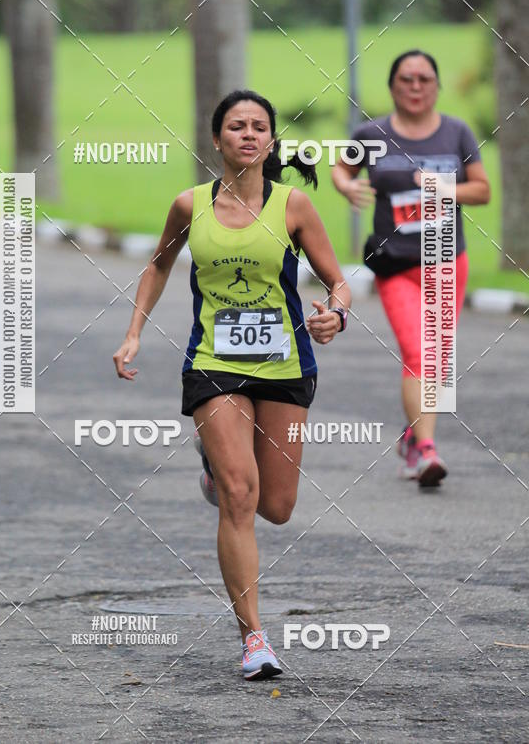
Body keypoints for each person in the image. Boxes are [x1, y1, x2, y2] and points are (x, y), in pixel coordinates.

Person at [113, 89, 351, 679]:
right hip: (214, 363)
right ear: (217, 138)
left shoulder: (293, 207)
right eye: (237, 126)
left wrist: (335, 314)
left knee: (276, 506)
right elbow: (159, 264)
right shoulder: (188, 205)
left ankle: (213, 473)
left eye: (259, 127)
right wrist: (133, 333)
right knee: (241, 494)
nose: (248, 134)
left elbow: (337, 281)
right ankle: (254, 641)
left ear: (270, 141)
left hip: (285, 364)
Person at [332, 50, 490, 487]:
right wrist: (347, 186)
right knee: (419, 353)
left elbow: (482, 191)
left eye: (424, 79)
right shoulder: (371, 133)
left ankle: (412, 436)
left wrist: (444, 186)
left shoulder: (457, 133)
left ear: (436, 86)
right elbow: (341, 168)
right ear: (392, 86)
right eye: (406, 79)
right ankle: (426, 451)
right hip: (396, 264)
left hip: (446, 260)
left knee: (435, 359)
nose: (415, 87)